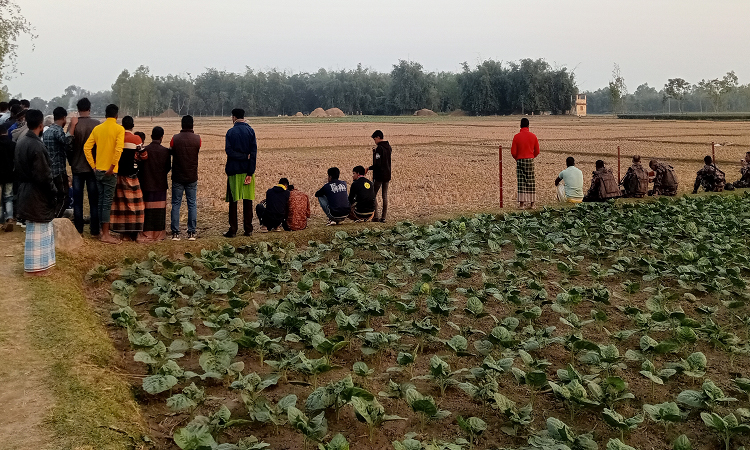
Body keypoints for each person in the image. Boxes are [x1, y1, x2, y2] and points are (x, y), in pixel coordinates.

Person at [14, 109, 57, 276]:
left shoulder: (22, 141)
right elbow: (44, 176)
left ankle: (39, 267)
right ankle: (35, 269)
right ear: (41, 125)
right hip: (36, 193)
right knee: (38, 231)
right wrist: (53, 191)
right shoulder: (36, 145)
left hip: (25, 190)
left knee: (35, 230)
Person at [84, 103, 125, 244]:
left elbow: (86, 148)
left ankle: (102, 231)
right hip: (110, 172)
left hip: (99, 170)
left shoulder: (97, 129)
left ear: (105, 114)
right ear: (116, 115)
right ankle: (106, 234)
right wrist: (112, 167)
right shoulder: (119, 129)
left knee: (101, 202)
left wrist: (93, 166)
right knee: (107, 203)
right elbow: (119, 150)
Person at [67, 97, 100, 235]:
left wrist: (72, 161)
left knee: (78, 201)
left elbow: (68, 145)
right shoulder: (97, 124)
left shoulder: (73, 125)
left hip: (77, 168)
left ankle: (78, 228)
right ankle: (94, 229)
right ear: (89, 108)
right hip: (93, 168)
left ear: (78, 109)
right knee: (94, 201)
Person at [110, 116, 146, 240]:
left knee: (121, 205)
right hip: (131, 176)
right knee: (137, 205)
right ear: (133, 125)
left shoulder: (118, 137)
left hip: (118, 175)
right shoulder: (136, 138)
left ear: (122, 125)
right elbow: (144, 155)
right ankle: (137, 233)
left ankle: (123, 234)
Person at [223, 109, 256, 238]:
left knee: (233, 201)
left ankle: (233, 229)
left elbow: (229, 151)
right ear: (244, 117)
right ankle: (248, 229)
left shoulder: (230, 132)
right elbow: (253, 154)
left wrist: (241, 157)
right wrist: (250, 171)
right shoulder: (250, 131)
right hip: (247, 171)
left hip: (234, 171)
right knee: (248, 201)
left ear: (234, 117)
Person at [170, 115, 201, 241]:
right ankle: (191, 232)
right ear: (192, 125)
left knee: (176, 204)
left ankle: (175, 233)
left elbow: (171, 151)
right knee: (192, 204)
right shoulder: (197, 139)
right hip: (192, 176)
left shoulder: (174, 139)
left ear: (181, 125)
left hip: (177, 176)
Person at [137, 126, 171, 242]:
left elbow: (140, 167)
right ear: (162, 137)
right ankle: (158, 234)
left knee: (146, 210)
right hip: (160, 185)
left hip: (145, 184)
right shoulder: (166, 151)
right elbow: (168, 168)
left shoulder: (144, 150)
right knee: (159, 211)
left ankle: (145, 233)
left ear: (151, 136)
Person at [42, 106, 75, 218]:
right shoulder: (58, 131)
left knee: (53, 196)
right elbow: (67, 142)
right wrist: (72, 128)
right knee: (64, 196)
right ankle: (55, 219)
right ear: (64, 118)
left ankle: (50, 215)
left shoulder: (47, 131)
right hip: (59, 170)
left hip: (49, 169)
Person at [511, 118, 540, 209]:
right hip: (530, 160)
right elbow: (537, 151)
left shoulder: (516, 137)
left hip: (520, 160)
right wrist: (531, 157)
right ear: (528, 126)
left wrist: (517, 158)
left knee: (521, 182)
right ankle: (532, 204)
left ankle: (522, 204)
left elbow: (513, 152)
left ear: (520, 125)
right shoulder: (533, 136)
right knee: (531, 181)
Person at [368, 130, 391, 222]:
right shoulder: (388, 147)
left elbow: (377, 164)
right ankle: (384, 217)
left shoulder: (379, 149)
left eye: (374, 139)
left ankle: (376, 216)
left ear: (378, 137)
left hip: (379, 176)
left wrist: (368, 168)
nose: (374, 141)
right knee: (384, 195)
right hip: (387, 174)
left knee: (373, 194)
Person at [0, 131, 15, 231]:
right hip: (10, 175)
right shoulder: (13, 144)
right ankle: (9, 218)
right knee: (9, 197)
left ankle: (1, 221)